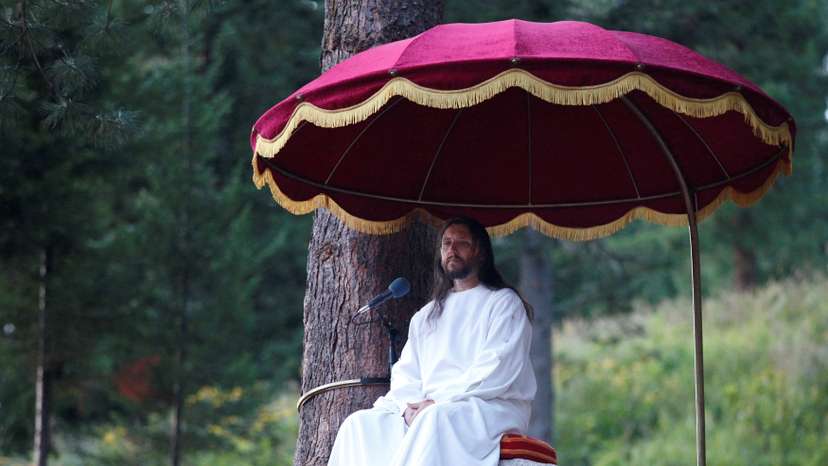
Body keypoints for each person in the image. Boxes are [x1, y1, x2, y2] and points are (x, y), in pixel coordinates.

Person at [327, 217, 537, 466]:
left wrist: (438, 401)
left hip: (487, 406)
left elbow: (497, 369)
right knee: (360, 425)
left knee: (434, 419)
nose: (452, 250)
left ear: (480, 251)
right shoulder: (426, 315)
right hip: (429, 408)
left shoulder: (503, 303)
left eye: (461, 243)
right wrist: (408, 408)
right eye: (446, 243)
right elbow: (407, 374)